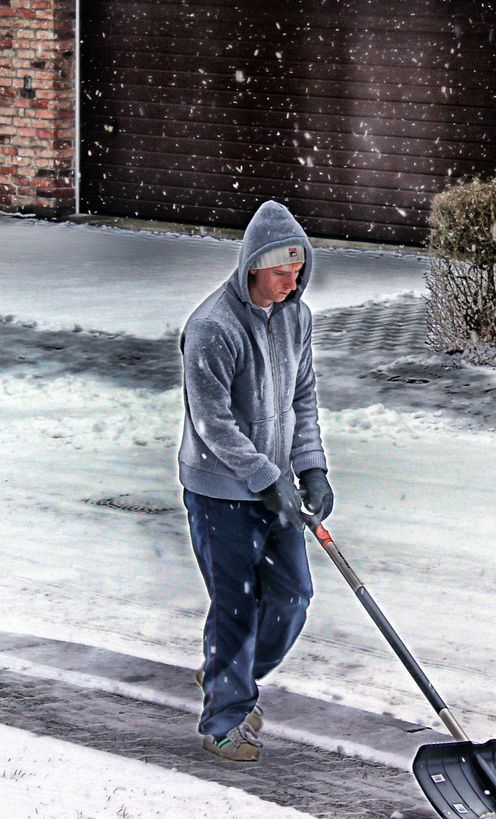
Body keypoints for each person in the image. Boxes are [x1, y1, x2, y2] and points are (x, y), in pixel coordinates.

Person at [178, 200, 335, 762]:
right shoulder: (212, 327)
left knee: (293, 598)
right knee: (236, 607)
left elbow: (302, 400)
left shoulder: (297, 318)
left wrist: (311, 468)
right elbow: (212, 423)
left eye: (298, 272)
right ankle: (225, 717)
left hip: (276, 487)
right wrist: (268, 479)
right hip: (220, 492)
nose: (292, 284)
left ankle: (228, 674)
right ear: (251, 268)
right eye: (280, 273)